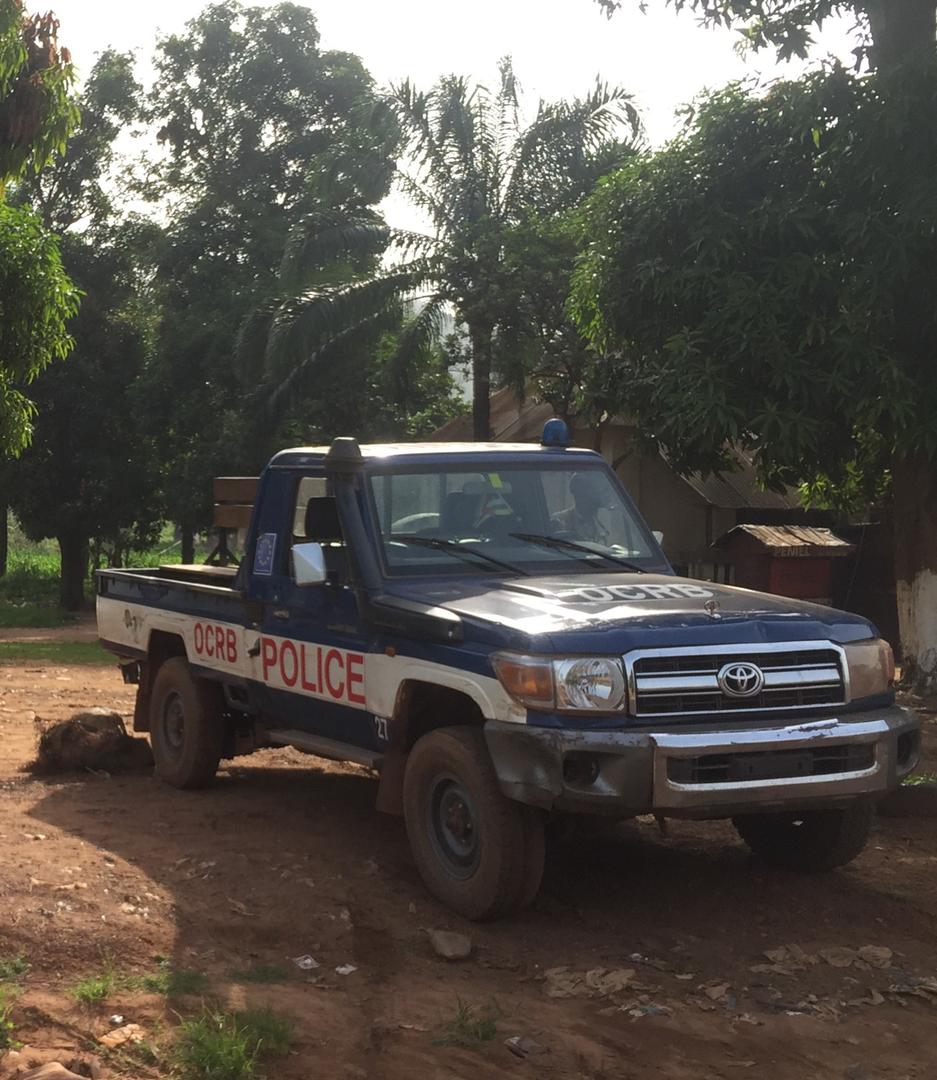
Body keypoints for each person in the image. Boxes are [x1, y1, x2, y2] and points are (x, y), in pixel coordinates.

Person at [553, 472, 610, 544]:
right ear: (577, 495)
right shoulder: (561, 520)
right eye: (586, 491)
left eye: (594, 491)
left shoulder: (605, 522)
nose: (593, 495)